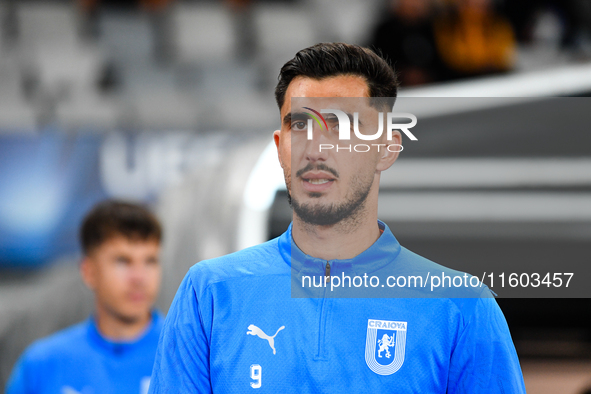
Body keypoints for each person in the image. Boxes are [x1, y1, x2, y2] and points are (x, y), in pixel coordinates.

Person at [148, 43, 526, 393]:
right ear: (280, 149)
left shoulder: (462, 307)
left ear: (387, 148)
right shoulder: (209, 293)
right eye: (299, 125)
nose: (316, 149)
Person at [6, 200, 164, 394]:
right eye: (123, 261)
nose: (139, 278)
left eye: (150, 261)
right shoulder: (43, 364)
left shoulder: (189, 355)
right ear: (89, 272)